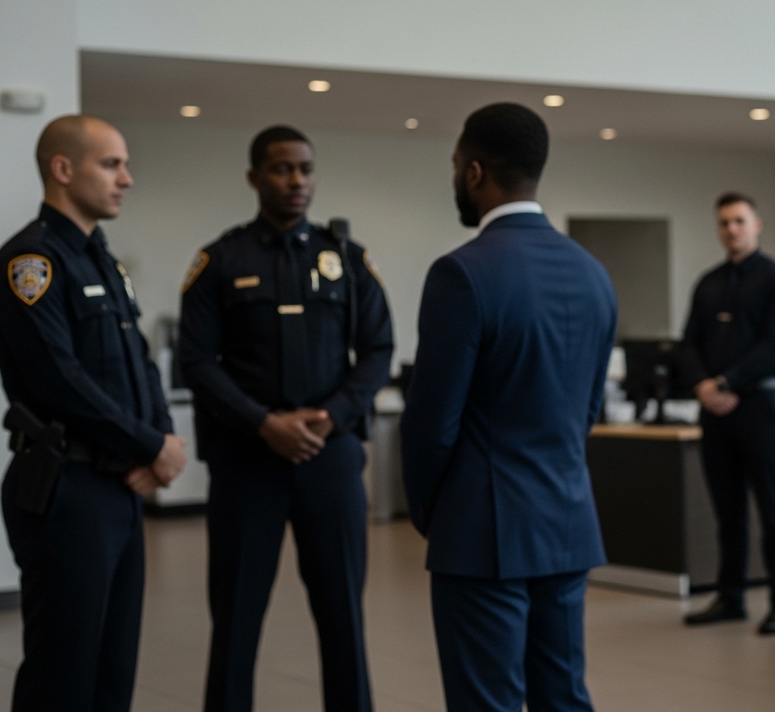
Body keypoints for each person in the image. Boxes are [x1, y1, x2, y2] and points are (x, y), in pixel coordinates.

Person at [401, 103, 616, 712]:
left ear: (473, 172)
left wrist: (428, 509)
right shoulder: (593, 274)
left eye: (453, 167)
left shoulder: (462, 274)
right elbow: (587, 409)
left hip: (482, 532)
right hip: (567, 521)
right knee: (564, 699)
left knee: (486, 703)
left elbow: (431, 421)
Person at [178, 125, 394, 712]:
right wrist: (262, 423)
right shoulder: (220, 260)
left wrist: (333, 414)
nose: (296, 180)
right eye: (281, 169)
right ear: (254, 178)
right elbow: (194, 360)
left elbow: (378, 350)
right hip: (248, 463)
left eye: (305, 169)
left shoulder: (346, 258)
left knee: (343, 615)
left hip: (331, 459)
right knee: (236, 618)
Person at [0, 115, 188, 712]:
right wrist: (151, 447)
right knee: (64, 675)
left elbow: (141, 366)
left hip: (118, 487)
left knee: (112, 671)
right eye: (112, 164)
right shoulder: (31, 263)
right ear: (63, 169)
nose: (127, 178)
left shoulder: (103, 260)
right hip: (67, 490)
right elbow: (60, 382)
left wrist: (162, 443)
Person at [679, 192, 775, 635]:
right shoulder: (708, 283)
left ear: (756, 224)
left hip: (759, 409)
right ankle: (730, 598)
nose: (731, 229)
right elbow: (687, 343)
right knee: (728, 512)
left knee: (773, 511)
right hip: (715, 414)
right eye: (724, 223)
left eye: (738, 221)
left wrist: (725, 384)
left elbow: (772, 348)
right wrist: (703, 388)